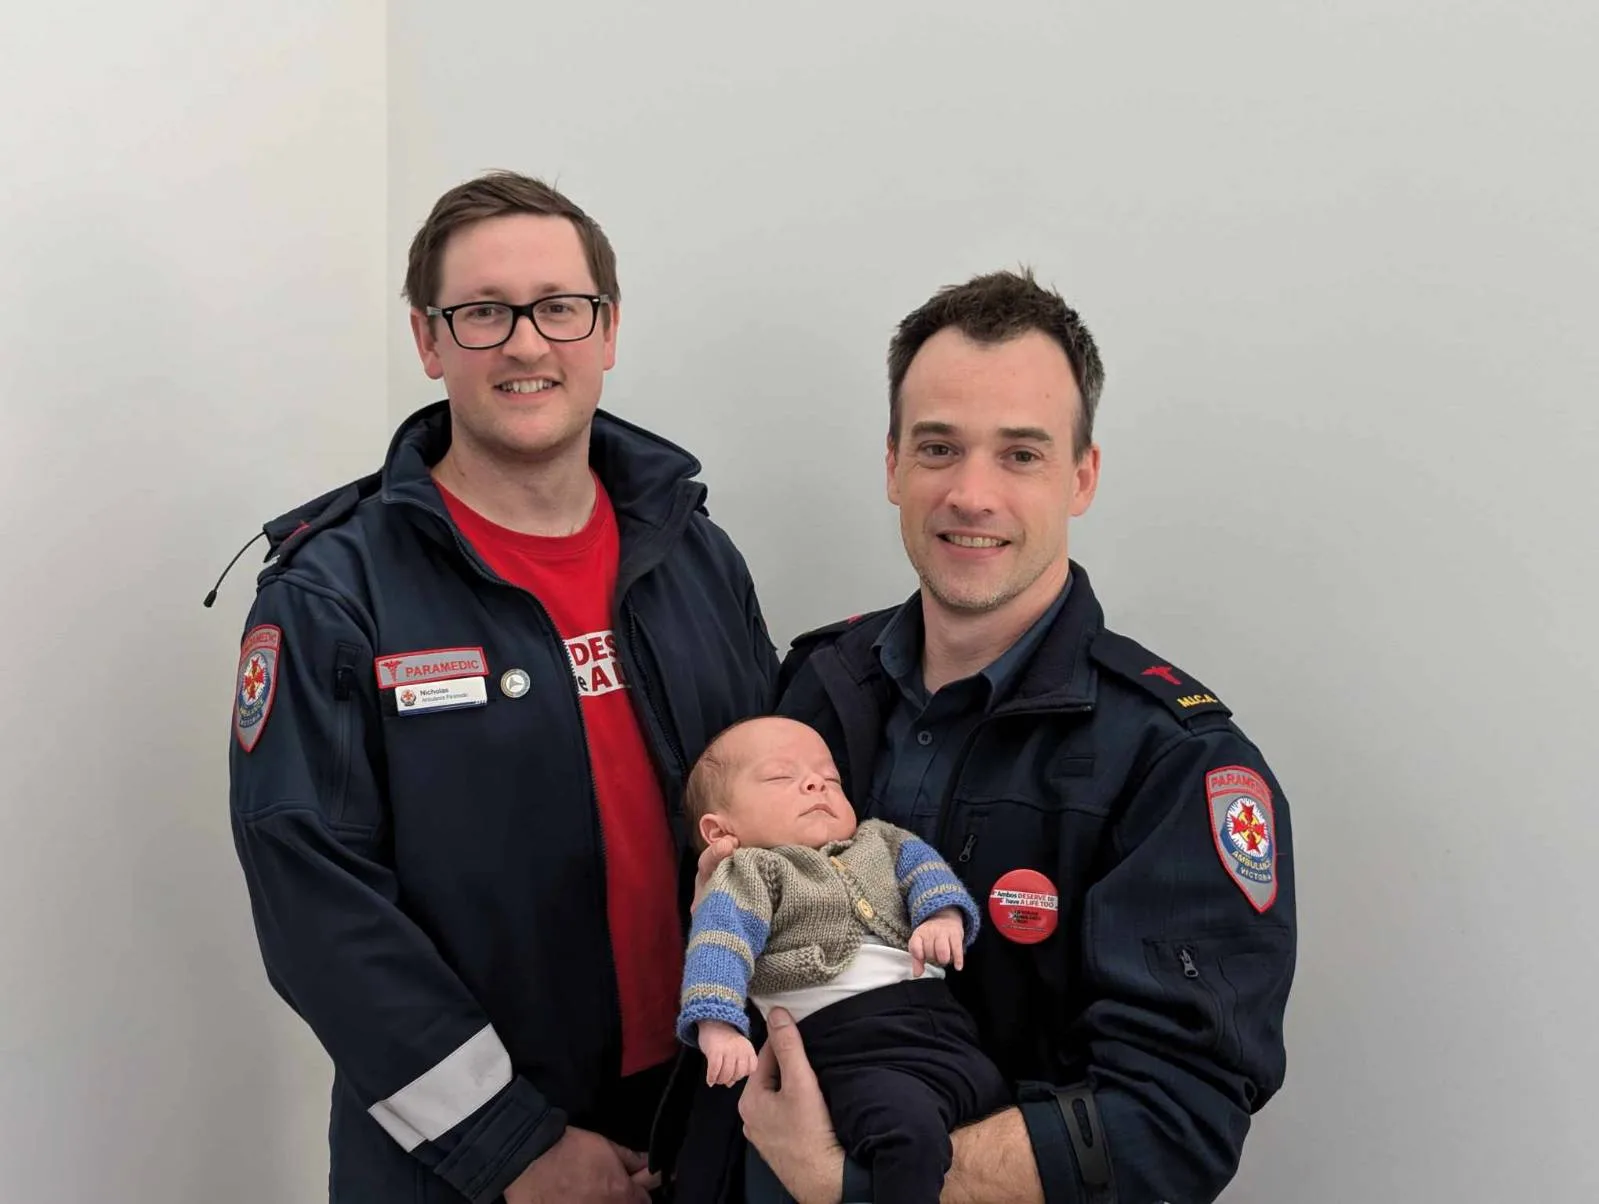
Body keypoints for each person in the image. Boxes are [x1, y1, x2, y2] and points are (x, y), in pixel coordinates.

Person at [678, 269, 1297, 1204]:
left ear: (1081, 476)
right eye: (937, 447)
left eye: (1020, 454)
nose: (970, 494)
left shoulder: (1176, 764)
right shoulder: (812, 686)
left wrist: (852, 1183)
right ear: (891, 465)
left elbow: (1176, 1118)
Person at [222, 171, 778, 1204]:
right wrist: (508, 1143)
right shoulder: (335, 594)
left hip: (705, 1118)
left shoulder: (697, 556)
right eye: (483, 313)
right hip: (460, 1165)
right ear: (430, 342)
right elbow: (318, 913)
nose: (527, 343)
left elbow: (771, 814)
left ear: (607, 330)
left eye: (560, 307)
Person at [674, 716, 1009, 1204]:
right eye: (781, 777)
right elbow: (720, 941)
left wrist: (943, 916)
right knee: (906, 1136)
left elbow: (926, 869)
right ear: (720, 829)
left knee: (997, 1108)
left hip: (947, 1028)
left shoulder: (880, 839)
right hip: (851, 1050)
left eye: (829, 778)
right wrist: (717, 1025)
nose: (816, 783)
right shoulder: (749, 871)